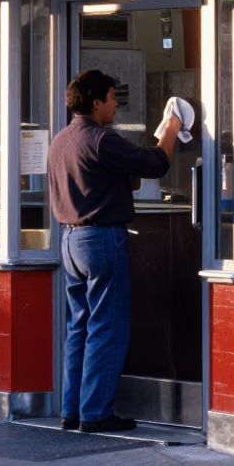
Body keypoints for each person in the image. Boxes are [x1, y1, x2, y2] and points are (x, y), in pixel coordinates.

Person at [47, 69, 182, 434]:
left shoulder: (60, 141)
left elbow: (114, 177)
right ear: (95, 103)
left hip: (70, 240)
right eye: (111, 97)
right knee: (108, 326)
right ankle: (95, 413)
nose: (116, 103)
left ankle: (71, 410)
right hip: (102, 240)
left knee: (78, 327)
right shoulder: (100, 140)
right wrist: (170, 128)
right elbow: (156, 164)